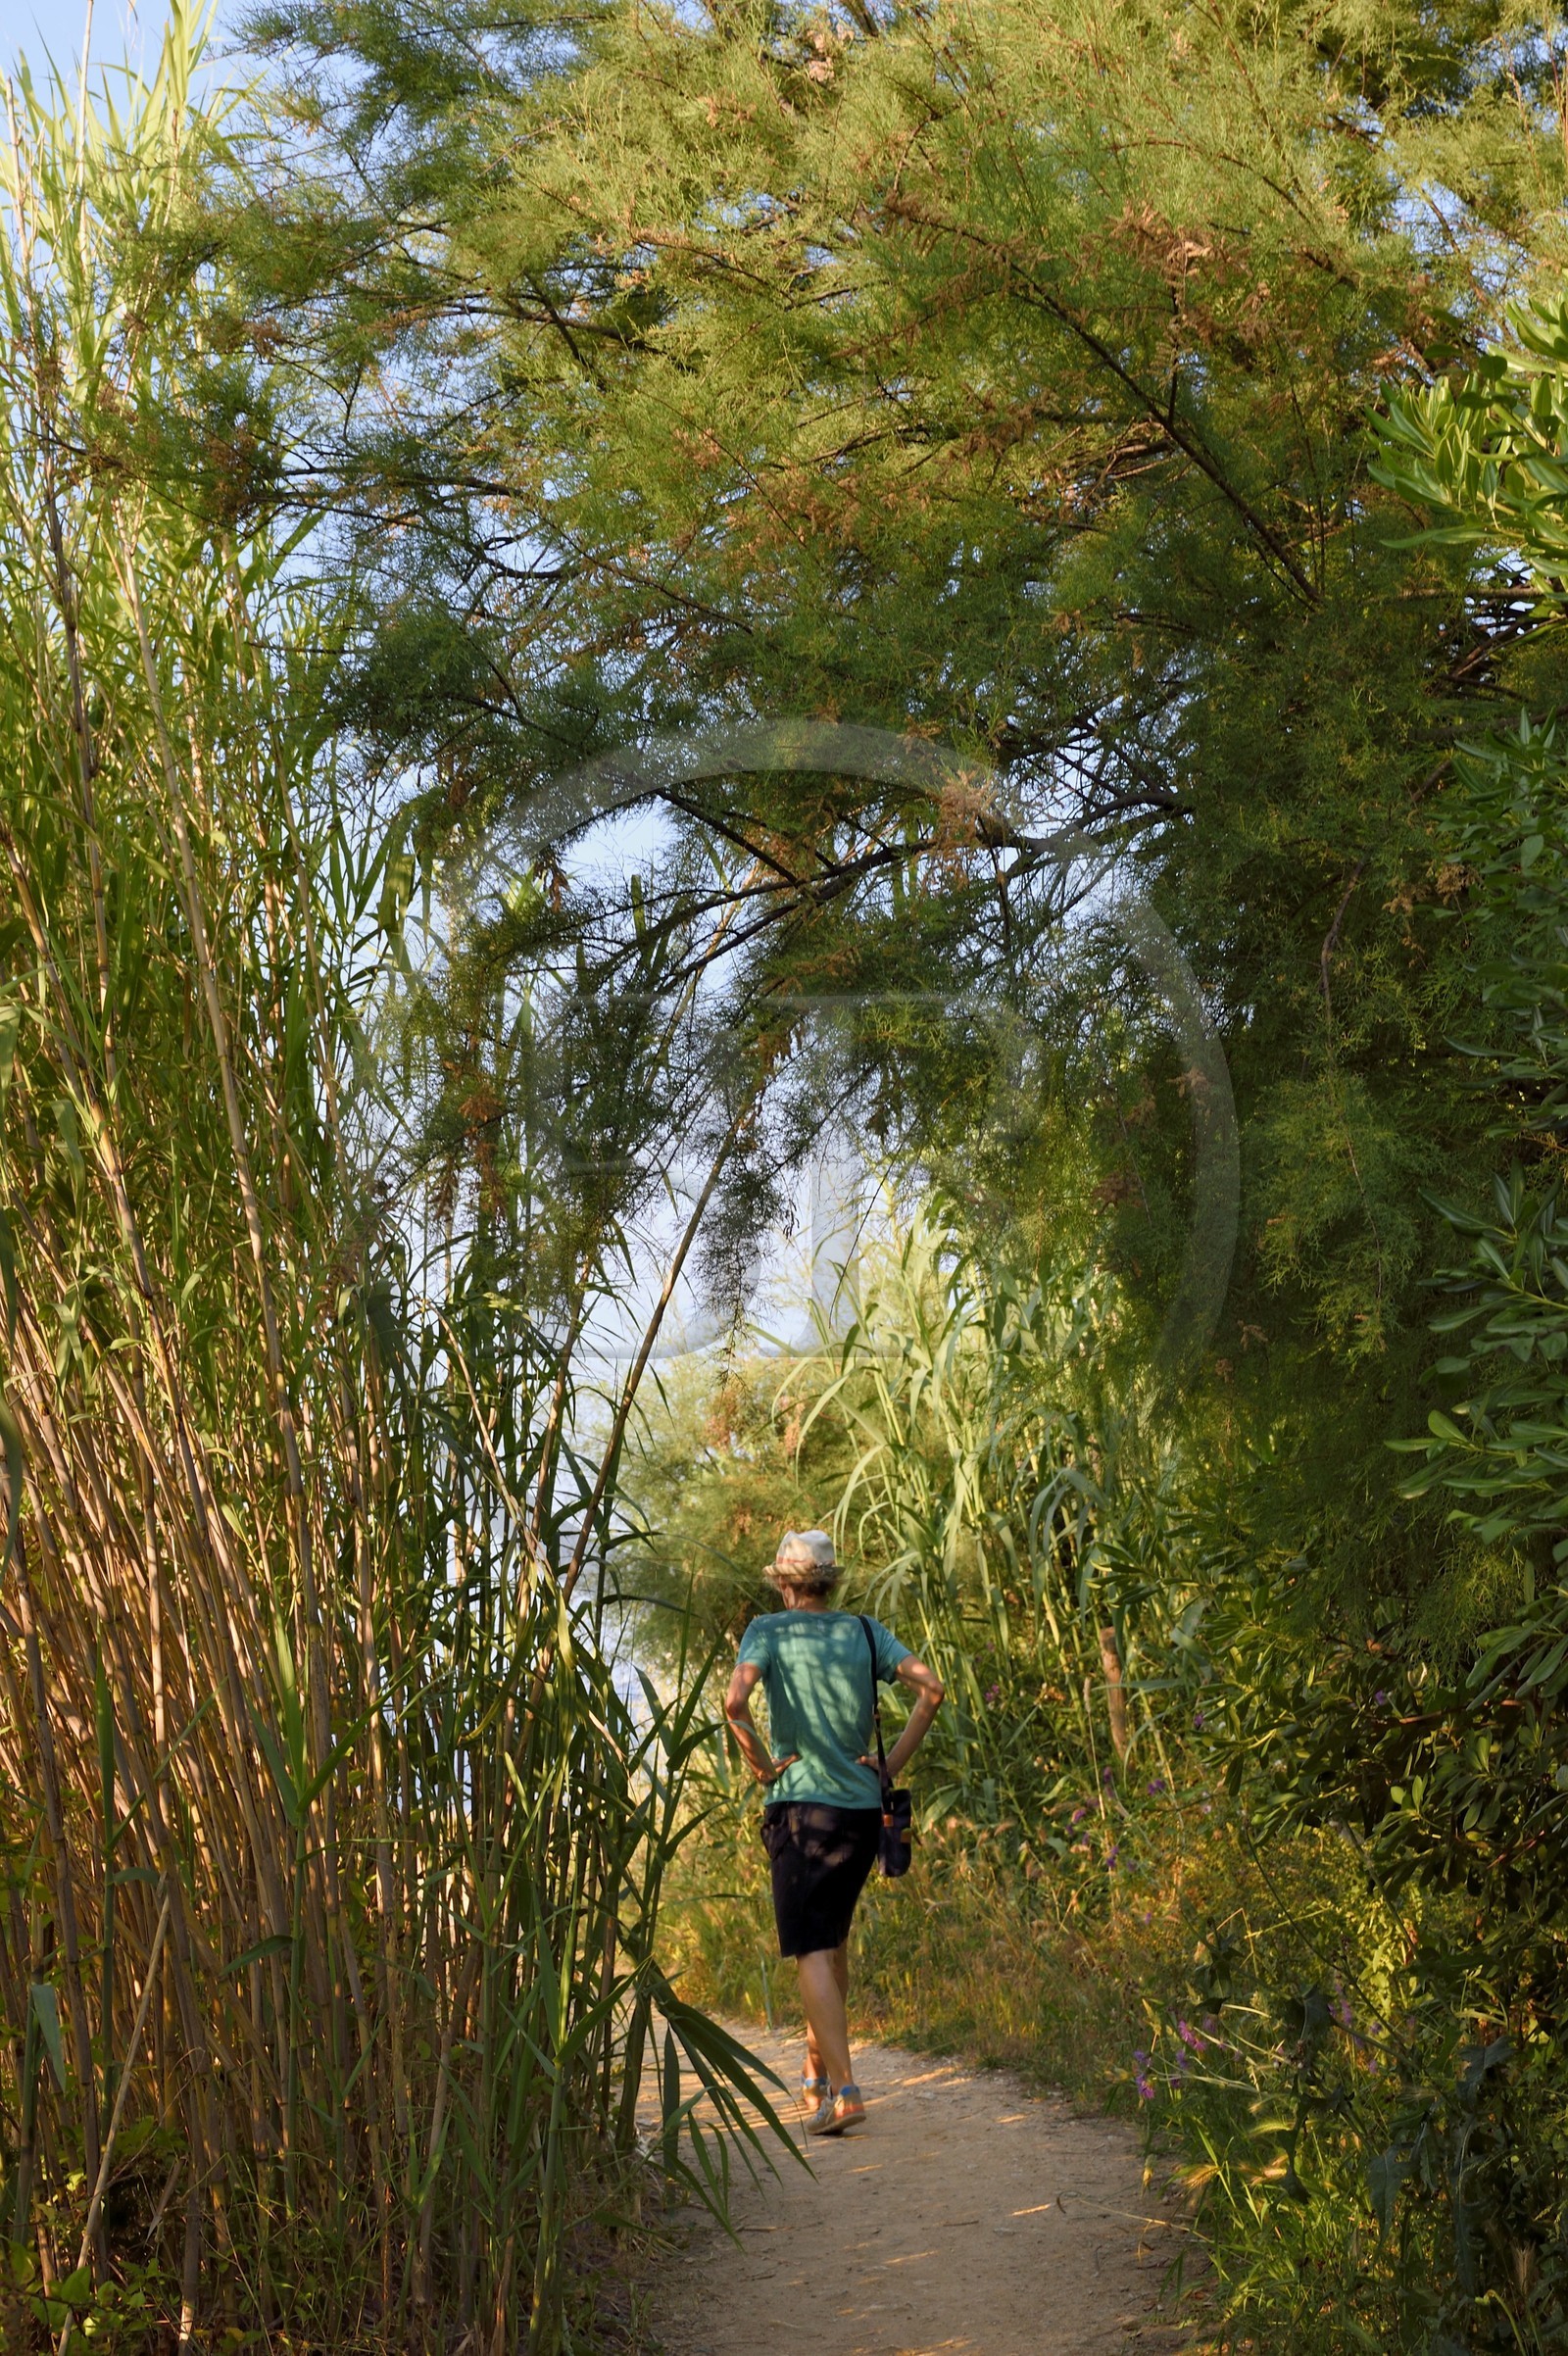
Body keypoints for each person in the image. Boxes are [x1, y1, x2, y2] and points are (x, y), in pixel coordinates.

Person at [724, 1529, 944, 2136]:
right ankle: (817, 2072)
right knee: (833, 1939)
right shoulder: (866, 1632)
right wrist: (890, 1766)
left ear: (784, 1583)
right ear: (830, 1580)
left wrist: (764, 1768)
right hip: (857, 1812)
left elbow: (734, 1703)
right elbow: (932, 1688)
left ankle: (844, 2092)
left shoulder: (767, 1632)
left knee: (811, 1949)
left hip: (799, 1811)